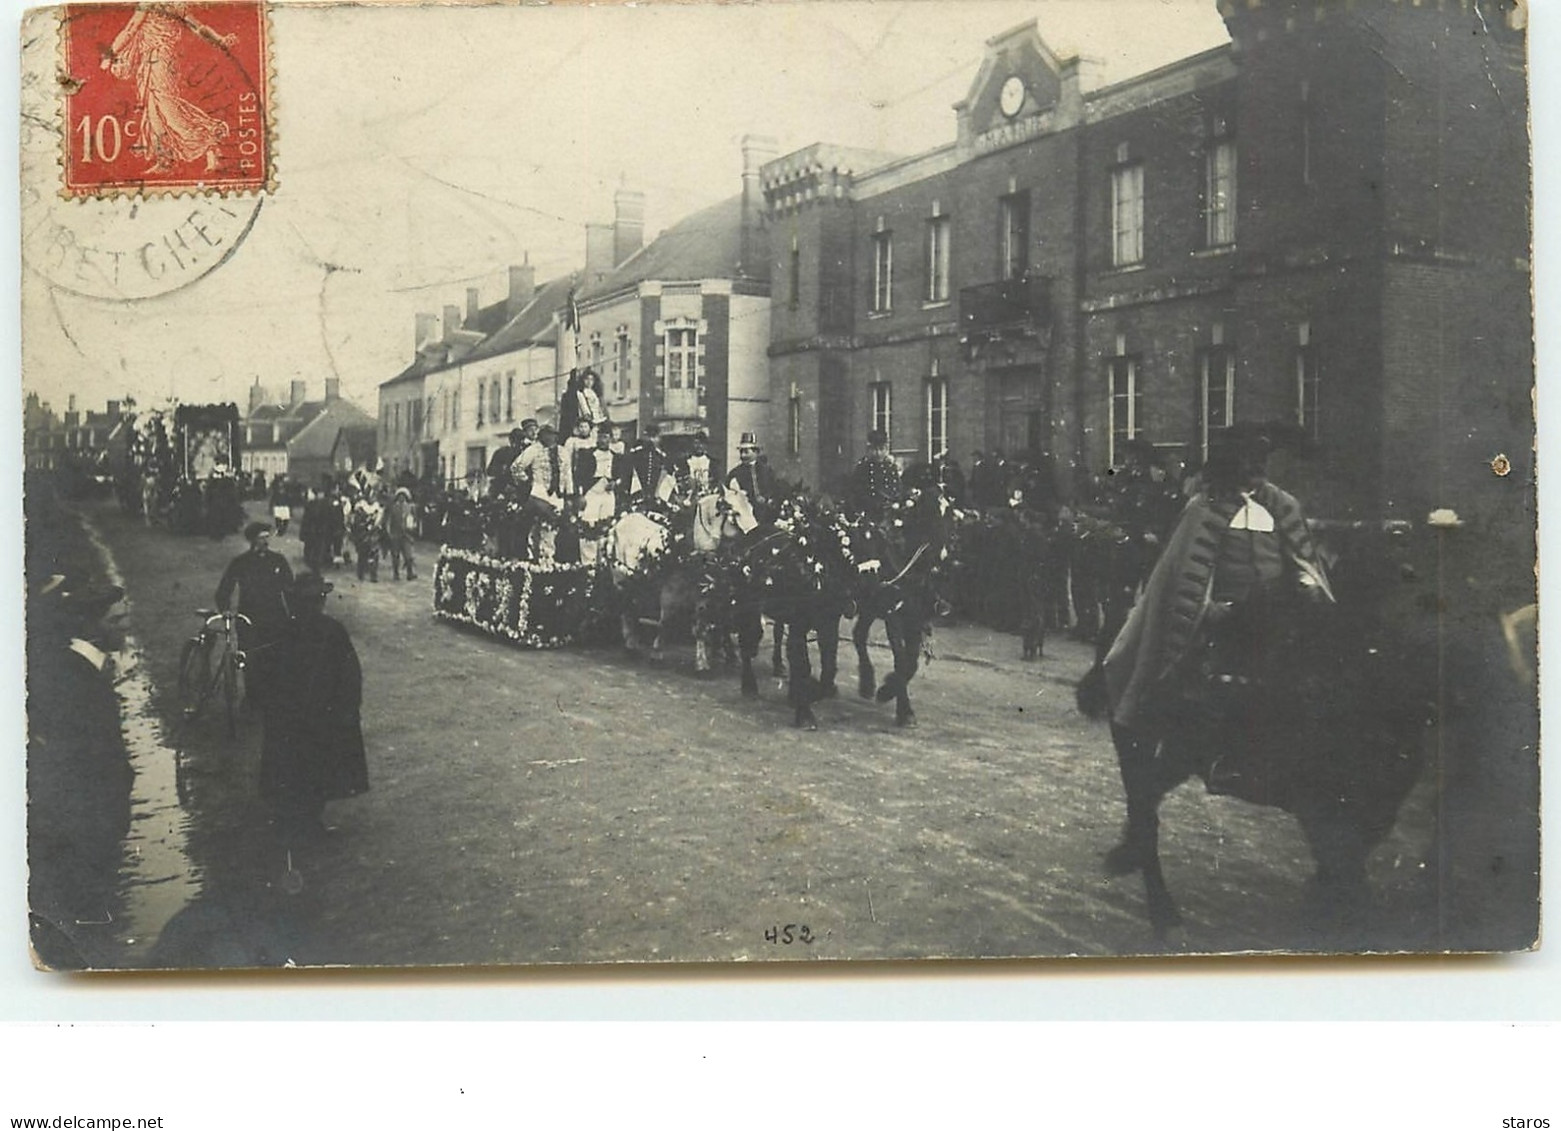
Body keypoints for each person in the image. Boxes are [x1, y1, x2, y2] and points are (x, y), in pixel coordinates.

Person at [1102, 423, 1333, 743]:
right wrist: (1206, 608)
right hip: (1222, 616)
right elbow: (1181, 573)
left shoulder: (1284, 506)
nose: (1256, 468)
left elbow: (1301, 560)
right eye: (1248, 460)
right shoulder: (1201, 508)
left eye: (1261, 460)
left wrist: (1307, 583)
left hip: (1274, 614)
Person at [259, 573, 368, 841]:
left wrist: (271, 707)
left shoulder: (281, 629)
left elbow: (265, 672)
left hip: (288, 717)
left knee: (290, 768)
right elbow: (350, 672)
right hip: (323, 716)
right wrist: (348, 707)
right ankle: (310, 822)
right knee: (318, 768)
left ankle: (291, 819)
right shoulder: (332, 630)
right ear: (320, 601)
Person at [214, 521, 294, 708]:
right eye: (261, 537)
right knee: (251, 660)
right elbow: (224, 589)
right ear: (252, 540)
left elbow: (289, 589)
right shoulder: (241, 563)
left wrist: (294, 614)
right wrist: (225, 608)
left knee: (277, 657)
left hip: (276, 617)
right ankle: (253, 700)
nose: (265, 541)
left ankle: (275, 698)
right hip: (249, 618)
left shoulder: (278, 560)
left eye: (267, 537)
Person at [513, 423, 571, 558]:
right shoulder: (533, 450)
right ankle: (534, 558)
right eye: (547, 435)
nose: (550, 438)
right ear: (541, 436)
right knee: (536, 527)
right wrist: (527, 481)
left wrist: (569, 491)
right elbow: (516, 467)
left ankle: (548, 559)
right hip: (539, 493)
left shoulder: (562, 451)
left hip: (557, 494)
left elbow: (567, 472)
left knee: (552, 528)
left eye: (553, 435)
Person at [845, 428, 904, 521]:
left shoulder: (891, 468)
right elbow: (856, 492)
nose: (878, 453)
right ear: (869, 449)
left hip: (890, 513)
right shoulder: (863, 468)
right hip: (869, 512)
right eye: (874, 449)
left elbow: (897, 489)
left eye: (881, 449)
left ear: (886, 449)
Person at [723, 431, 779, 525]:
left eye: (746, 452)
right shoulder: (735, 473)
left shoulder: (767, 471)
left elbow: (775, 490)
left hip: (766, 514)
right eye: (741, 452)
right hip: (744, 517)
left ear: (756, 452)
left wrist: (767, 499)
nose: (742, 456)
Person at [618, 423, 670, 509]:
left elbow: (664, 473)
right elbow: (627, 472)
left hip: (653, 492)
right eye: (649, 436)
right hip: (636, 492)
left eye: (654, 437)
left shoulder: (660, 456)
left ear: (658, 438)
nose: (651, 440)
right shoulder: (635, 453)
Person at [382, 486, 418, 581]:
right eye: (400, 496)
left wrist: (413, 526)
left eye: (404, 496)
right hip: (395, 534)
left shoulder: (410, 507)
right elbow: (388, 521)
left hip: (407, 535)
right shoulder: (393, 507)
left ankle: (410, 573)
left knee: (408, 555)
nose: (402, 498)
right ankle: (396, 573)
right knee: (395, 555)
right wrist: (389, 532)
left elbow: (414, 520)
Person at [674, 431, 721, 503]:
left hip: (708, 498)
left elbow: (717, 482)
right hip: (689, 500)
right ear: (692, 444)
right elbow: (680, 482)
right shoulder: (684, 462)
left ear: (706, 445)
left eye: (702, 443)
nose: (699, 446)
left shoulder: (713, 463)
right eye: (696, 443)